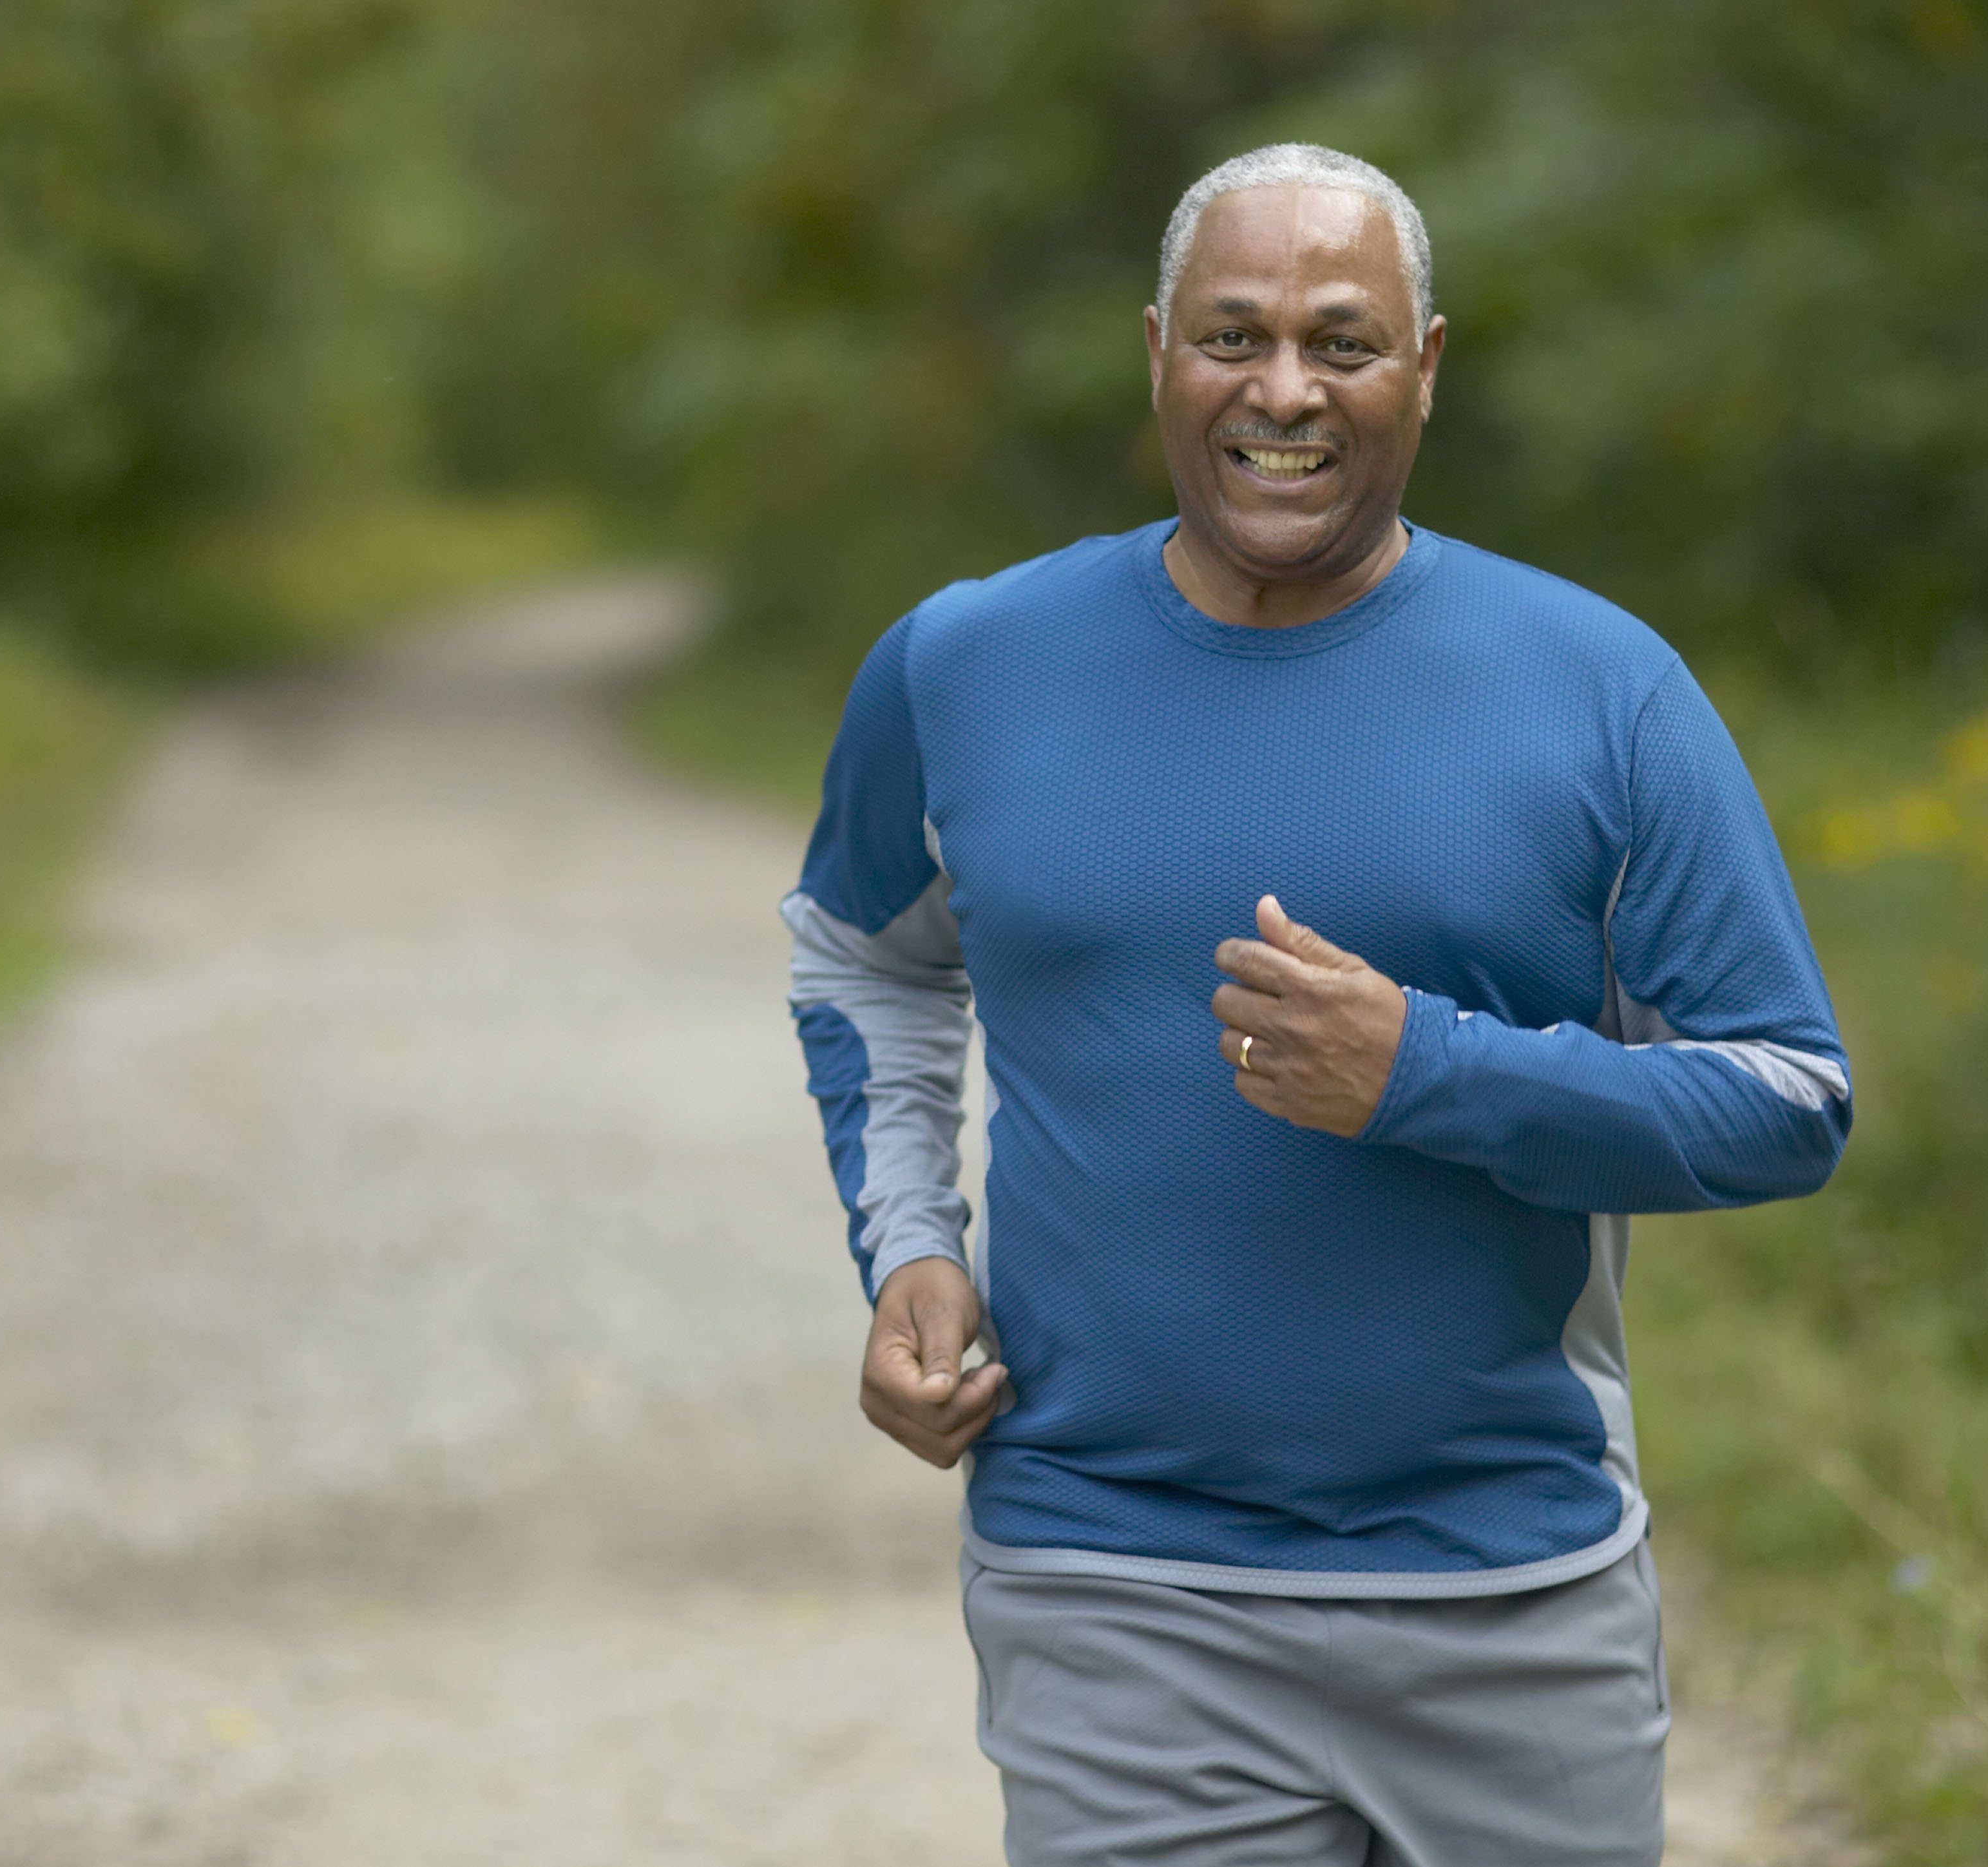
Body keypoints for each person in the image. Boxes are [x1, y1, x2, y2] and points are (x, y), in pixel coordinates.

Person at [781, 144, 1850, 1867]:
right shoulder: (964, 663)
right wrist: (910, 1238)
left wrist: (1431, 1070)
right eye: (1234, 336)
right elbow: (868, 958)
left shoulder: (1603, 689)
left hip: (1510, 1591)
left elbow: (1789, 1098)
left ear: (1426, 369)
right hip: (1113, 1574)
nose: (1284, 390)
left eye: (1342, 342)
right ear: (1158, 354)